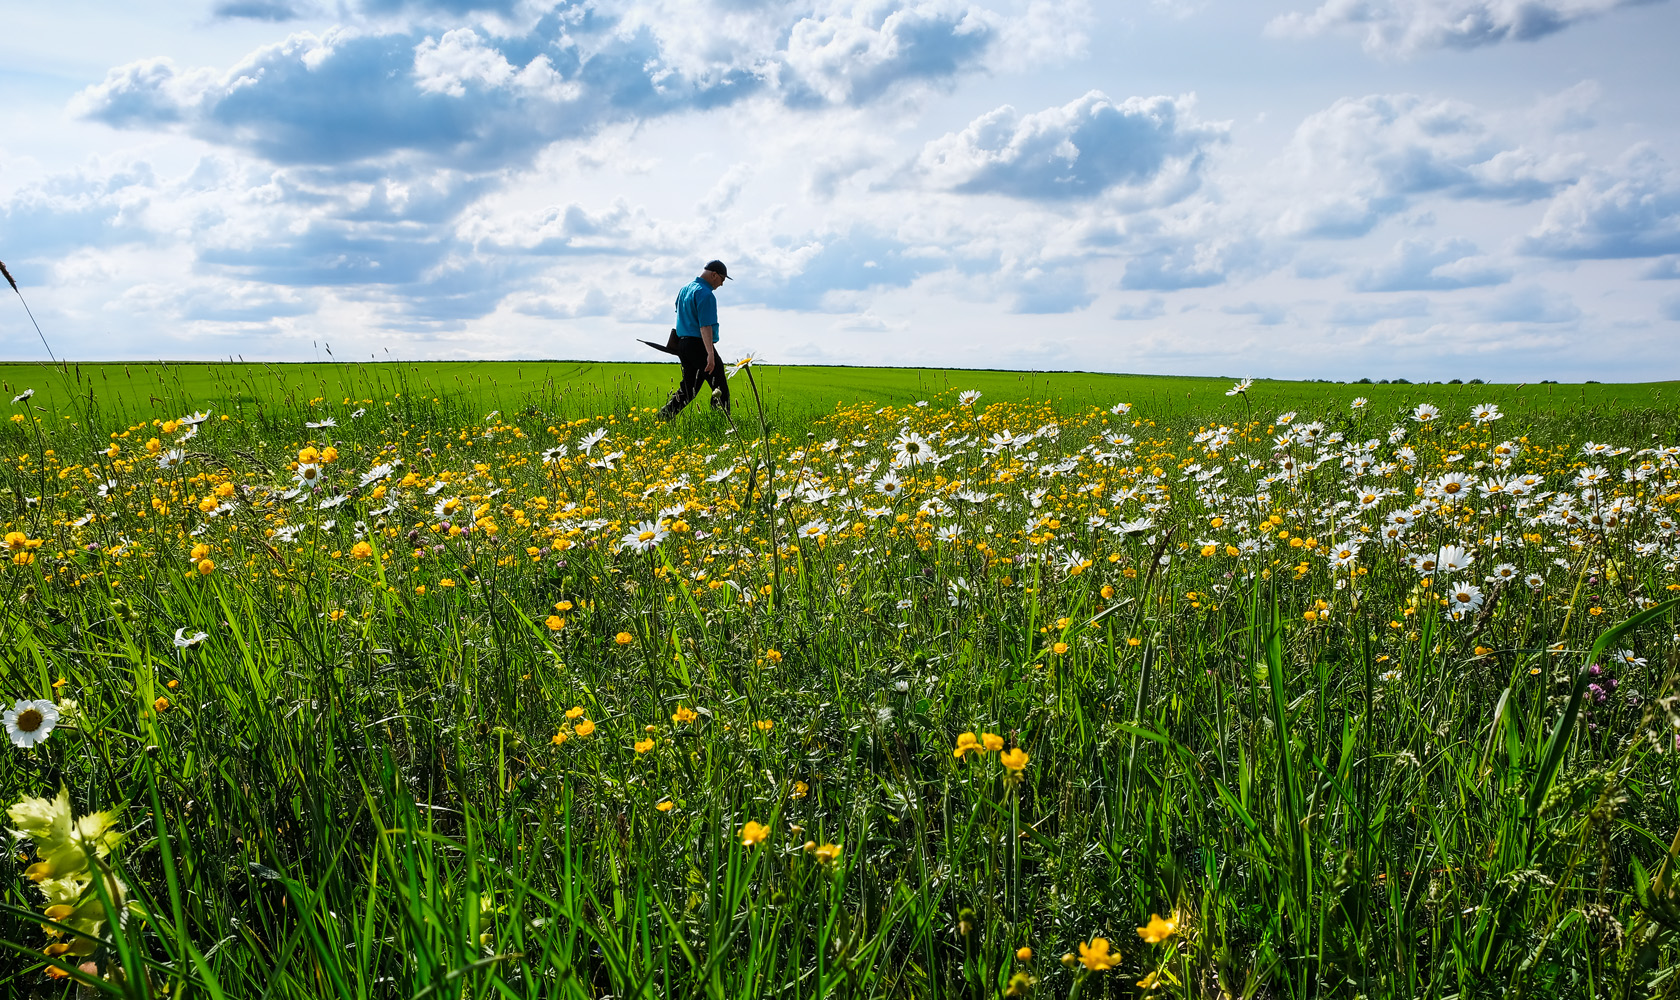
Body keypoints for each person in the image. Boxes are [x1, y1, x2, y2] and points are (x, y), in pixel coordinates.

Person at [657, 260, 732, 420]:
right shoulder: (706, 294)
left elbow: (680, 314)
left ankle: (660, 419)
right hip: (700, 346)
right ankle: (720, 425)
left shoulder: (684, 289)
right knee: (720, 388)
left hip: (683, 344)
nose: (722, 284)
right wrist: (710, 354)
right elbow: (705, 327)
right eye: (722, 279)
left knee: (688, 390)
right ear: (714, 275)